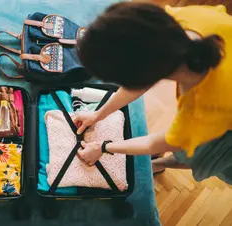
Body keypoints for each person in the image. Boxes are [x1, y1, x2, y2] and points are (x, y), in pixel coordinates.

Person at [74, 2, 232, 184]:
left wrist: (103, 147)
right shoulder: (187, 20)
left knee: (201, 155)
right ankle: (160, 163)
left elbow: (155, 143)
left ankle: (160, 163)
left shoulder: (201, 112)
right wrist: (97, 114)